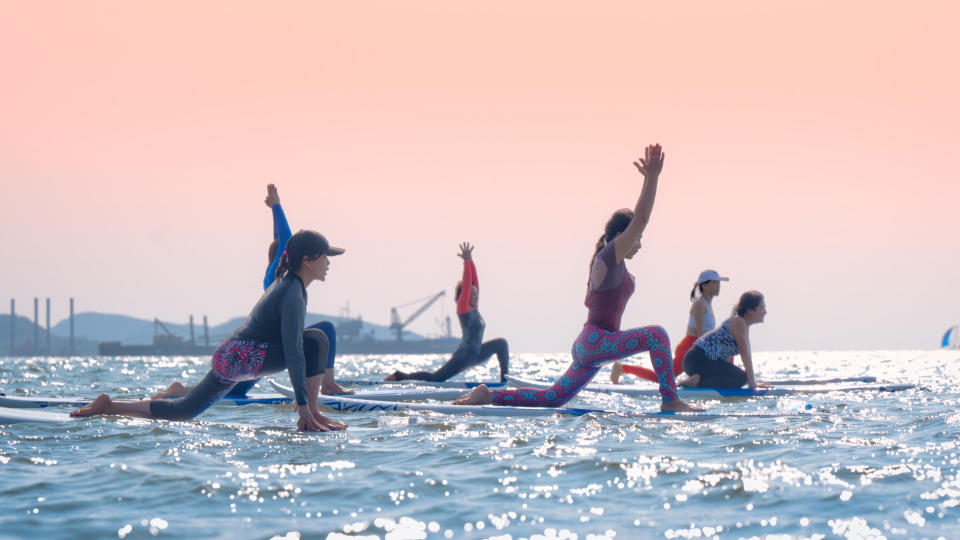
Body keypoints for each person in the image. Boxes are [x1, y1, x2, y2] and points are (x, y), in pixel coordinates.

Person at [453, 144, 701, 411]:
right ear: (620, 236)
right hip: (598, 343)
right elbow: (640, 219)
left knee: (554, 398)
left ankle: (488, 395)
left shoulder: (609, 261)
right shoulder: (608, 256)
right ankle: (670, 400)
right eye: (637, 239)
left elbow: (638, 225)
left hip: (592, 344)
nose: (639, 244)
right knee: (658, 335)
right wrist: (652, 178)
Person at [72, 230, 349, 432]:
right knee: (315, 341)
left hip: (235, 356)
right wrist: (301, 405)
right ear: (308, 260)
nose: (329, 263)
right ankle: (310, 415)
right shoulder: (291, 292)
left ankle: (110, 405)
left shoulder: (292, 285)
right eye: (326, 257)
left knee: (182, 411)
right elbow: (293, 351)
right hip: (241, 357)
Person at [154, 184, 352, 398]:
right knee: (326, 330)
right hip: (268, 346)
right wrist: (277, 208)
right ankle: (329, 385)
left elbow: (280, 238)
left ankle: (181, 391)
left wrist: (274, 214)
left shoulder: (273, 275)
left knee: (235, 390)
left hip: (260, 347)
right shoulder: (283, 280)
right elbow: (286, 237)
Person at [385, 242, 510, 382]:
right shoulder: (464, 309)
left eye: (476, 294)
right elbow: (468, 283)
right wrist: (466, 262)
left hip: (477, 353)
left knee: (502, 343)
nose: (476, 296)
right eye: (472, 294)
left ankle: (505, 381)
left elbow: (474, 283)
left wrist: (471, 260)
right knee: (436, 378)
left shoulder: (474, 308)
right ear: (465, 296)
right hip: (465, 355)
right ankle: (399, 376)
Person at [610, 269, 728, 384]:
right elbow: (701, 335)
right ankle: (621, 368)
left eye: (719, 283)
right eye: (714, 283)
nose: (718, 286)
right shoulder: (699, 304)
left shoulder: (707, 304)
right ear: (704, 285)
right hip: (689, 347)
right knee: (661, 378)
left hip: (696, 346)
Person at [681, 290, 770, 389]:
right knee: (741, 378)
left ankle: (697, 379)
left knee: (739, 377)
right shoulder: (738, 322)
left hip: (703, 361)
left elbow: (730, 359)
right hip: (698, 359)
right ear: (750, 311)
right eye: (762, 308)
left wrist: (752, 381)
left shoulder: (743, 324)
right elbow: (745, 356)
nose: (765, 312)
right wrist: (752, 383)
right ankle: (697, 382)